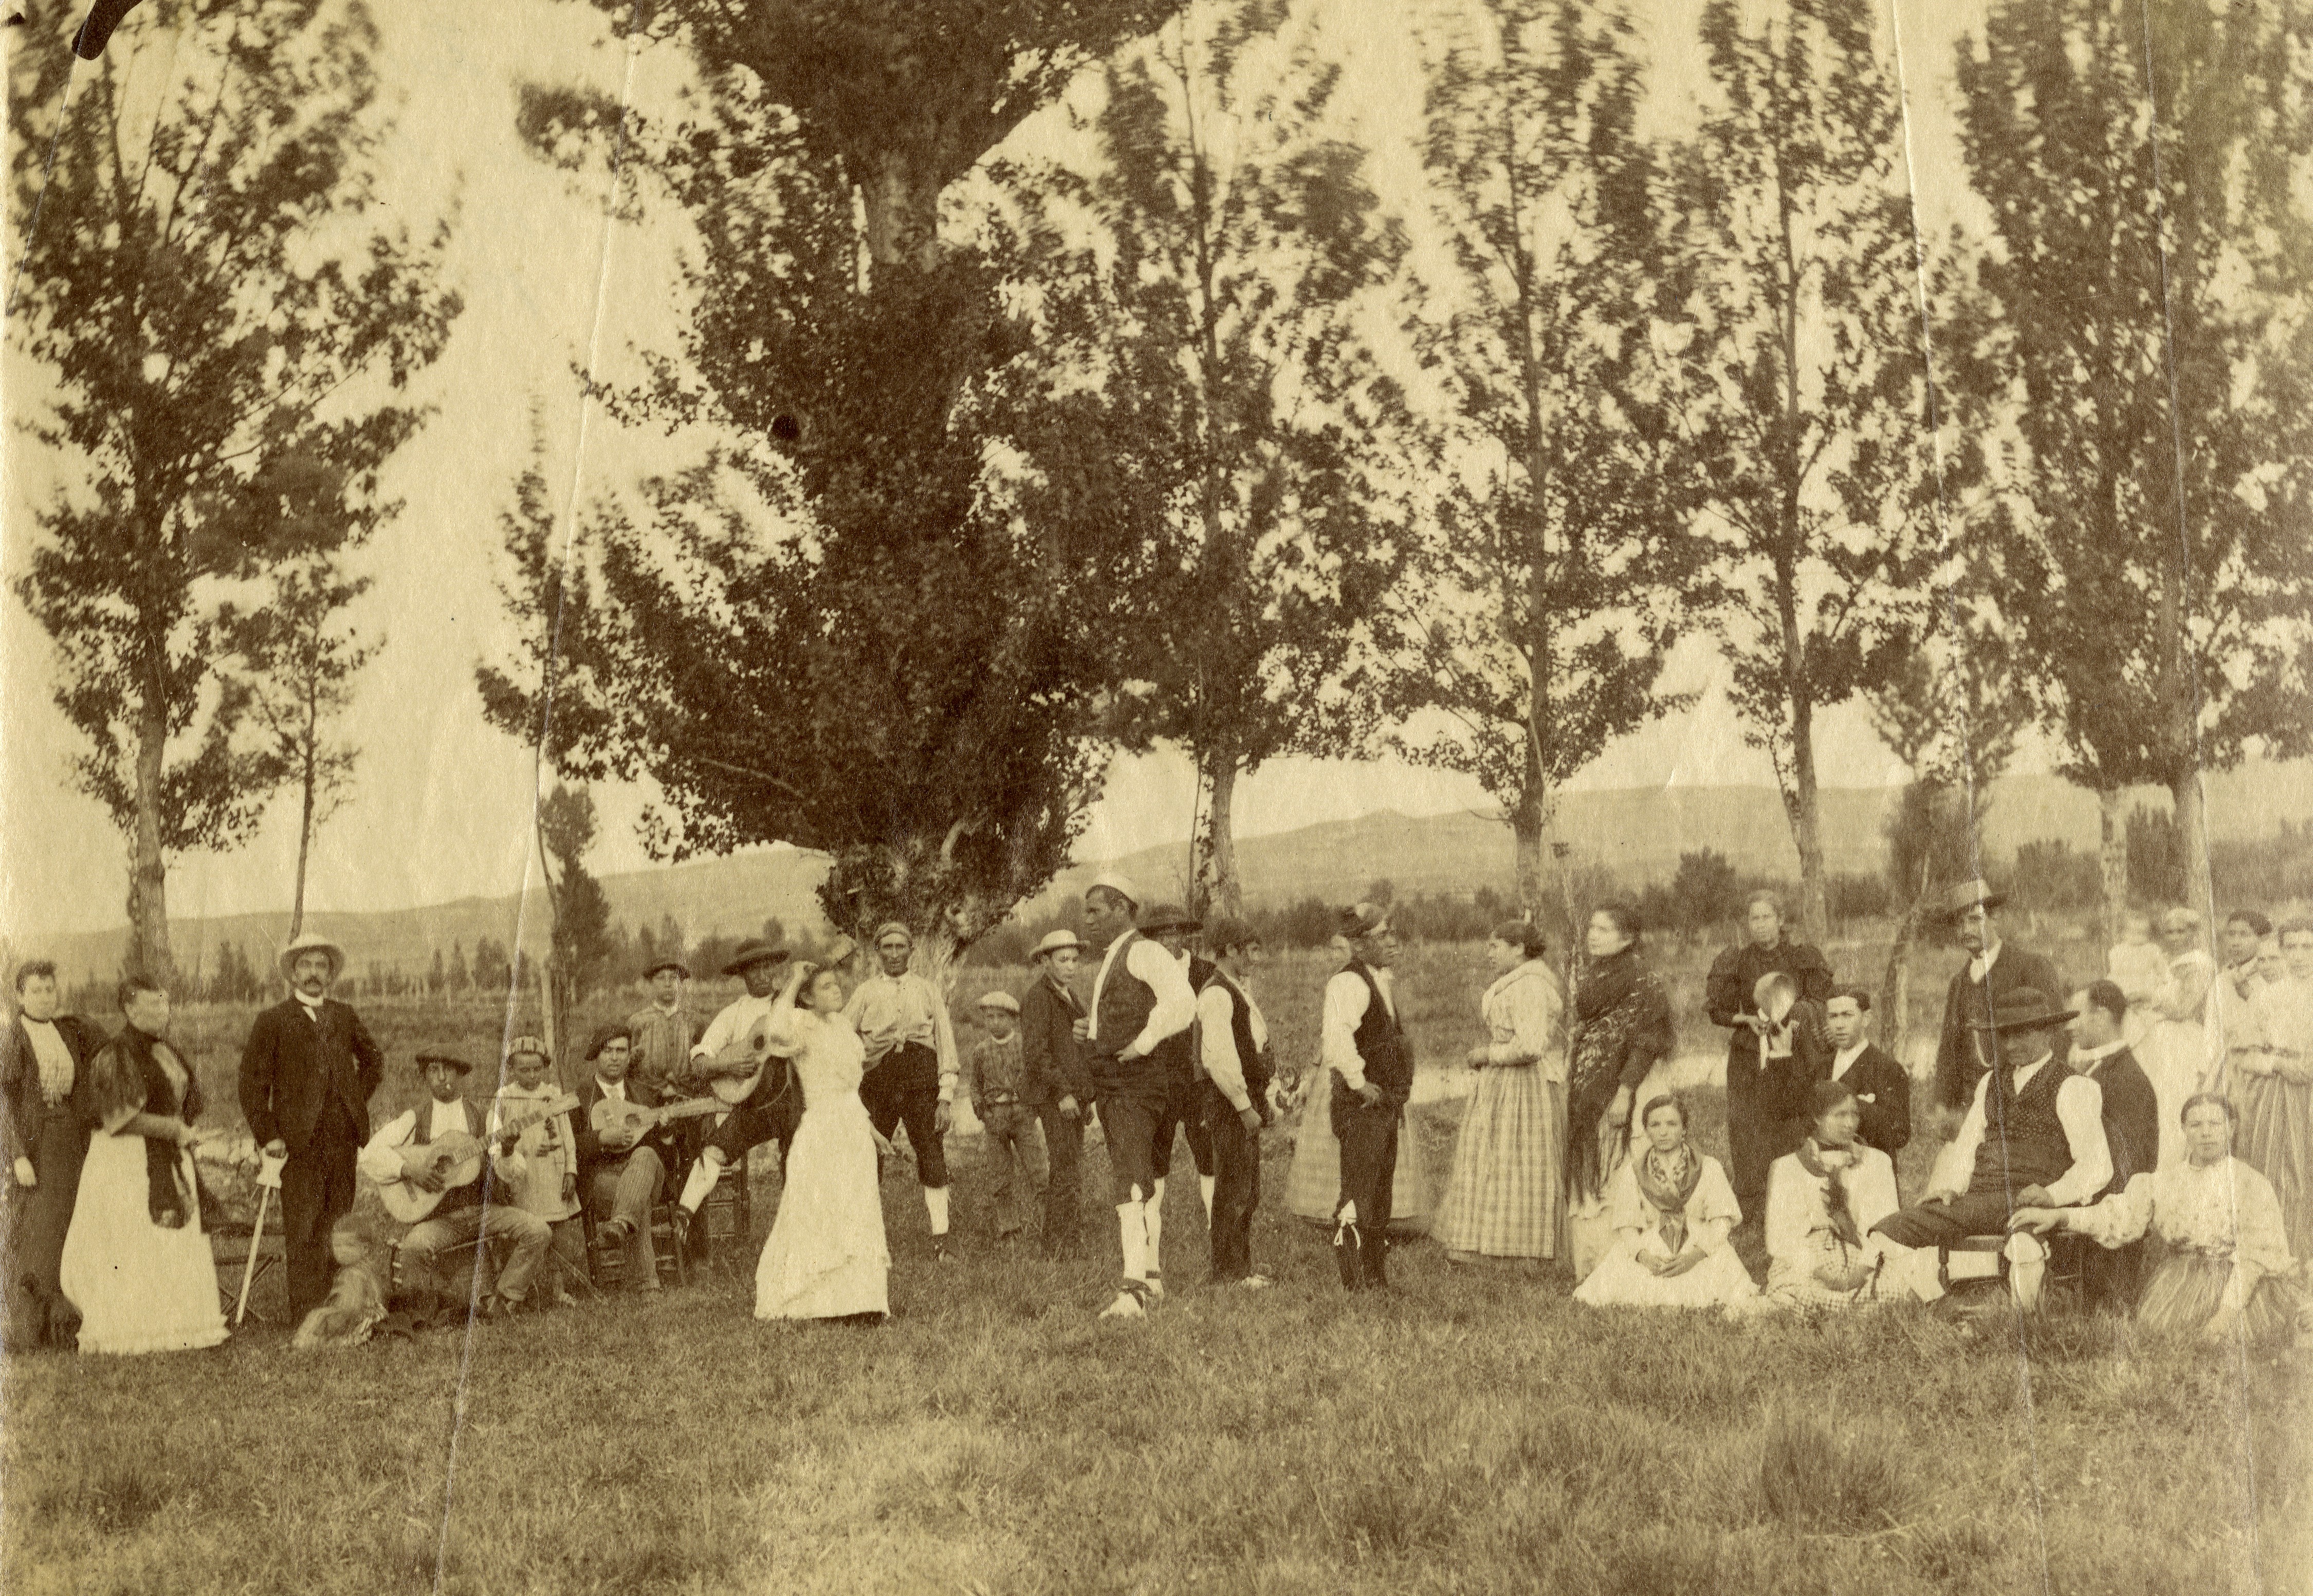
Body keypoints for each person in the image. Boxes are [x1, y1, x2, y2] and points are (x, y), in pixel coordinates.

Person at [1865, 988, 2110, 1311]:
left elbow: (2097, 1165)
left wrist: (2053, 1195)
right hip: (1978, 1201)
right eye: (2004, 1035)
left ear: (2049, 1032)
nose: (2010, 1045)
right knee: (1883, 1234)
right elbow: (1966, 1147)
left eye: (2022, 1034)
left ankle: (2025, 1325)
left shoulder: (2074, 1087)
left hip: (2029, 1204)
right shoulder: (1990, 1083)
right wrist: (1950, 1187)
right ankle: (1942, 1304)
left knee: (2024, 1245)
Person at [2012, 1094, 2310, 1346]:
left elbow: (2253, 1258)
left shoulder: (2250, 1183)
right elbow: (2116, 1217)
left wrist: (2226, 1315)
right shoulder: (2164, 1182)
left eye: (2215, 1124)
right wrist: (2059, 1216)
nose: (2206, 1132)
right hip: (2179, 1285)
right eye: (2196, 1124)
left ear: (2230, 1129)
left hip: (2240, 1287)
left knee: (2231, 1348)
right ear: (2184, 1130)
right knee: (2168, 1349)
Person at [58, 976, 228, 1356]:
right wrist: (173, 1128)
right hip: (127, 1163)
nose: (161, 1012)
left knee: (170, 1246)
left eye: (164, 1004)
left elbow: (181, 1101)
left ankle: (179, 1326)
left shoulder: (166, 1050)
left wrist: (181, 1129)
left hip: (167, 1155)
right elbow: (118, 1118)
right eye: (152, 1005)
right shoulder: (113, 1053)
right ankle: (132, 1330)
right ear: (130, 1010)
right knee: (133, 1245)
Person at [237, 931, 386, 1323]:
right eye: (306, 965)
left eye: (322, 965)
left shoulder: (344, 1015)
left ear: (331, 973)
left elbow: (374, 1063)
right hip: (298, 1145)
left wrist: (353, 1102)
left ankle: (340, 1309)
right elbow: (252, 1085)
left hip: (342, 1142)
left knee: (339, 1224)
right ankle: (306, 1312)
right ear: (293, 973)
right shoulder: (273, 1021)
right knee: (304, 1227)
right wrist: (269, 1134)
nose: (314, 973)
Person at [1078, 872, 1198, 1318]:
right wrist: (1093, 1031)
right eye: (1086, 910)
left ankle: (1132, 1292)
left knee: (1131, 1183)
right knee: (1142, 1181)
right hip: (1119, 1086)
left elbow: (1182, 1003)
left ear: (1123, 909)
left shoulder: (1144, 949)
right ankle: (1150, 1276)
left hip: (1134, 1085)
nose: (1086, 920)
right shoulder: (1116, 956)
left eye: (1096, 910)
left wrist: (1142, 1043)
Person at [358, 1053, 552, 1320]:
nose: (441, 1077)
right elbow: (369, 1155)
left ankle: (504, 1299)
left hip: (483, 1212)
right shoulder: (416, 1117)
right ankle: (423, 1312)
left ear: (460, 1076)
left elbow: (511, 1173)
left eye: (448, 1070)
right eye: (433, 1070)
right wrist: (410, 1170)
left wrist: (507, 1149)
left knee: (538, 1231)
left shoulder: (484, 1117)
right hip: (440, 1220)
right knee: (414, 1246)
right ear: (425, 1077)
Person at [754, 960, 889, 1323]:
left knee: (857, 1210)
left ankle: (862, 1302)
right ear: (809, 999)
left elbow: (850, 1090)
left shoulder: (843, 1026)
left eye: (836, 984)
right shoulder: (801, 1023)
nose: (836, 990)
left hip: (853, 1131)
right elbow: (775, 1030)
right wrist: (796, 977)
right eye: (826, 987)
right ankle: (815, 1303)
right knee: (820, 1212)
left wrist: (872, 1131)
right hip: (821, 1131)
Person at [1436, 921, 1563, 1269]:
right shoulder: (1516, 982)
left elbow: (1532, 1044)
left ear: (1519, 947)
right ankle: (1488, 1243)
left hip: (1523, 1087)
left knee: (1519, 1160)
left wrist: (1488, 1054)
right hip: (1503, 1085)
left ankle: (1520, 1250)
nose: (1488, 953)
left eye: (1495, 946)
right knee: (1494, 1159)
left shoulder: (1531, 986)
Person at [1705, 891, 1835, 1220]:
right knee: (1747, 1127)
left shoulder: (1802, 957)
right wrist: (1747, 1020)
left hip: (1793, 1053)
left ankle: (1797, 1203)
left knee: (1791, 1121)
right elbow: (1718, 1011)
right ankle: (1753, 1208)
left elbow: (1822, 1002)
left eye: (1767, 918)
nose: (1761, 925)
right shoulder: (1737, 961)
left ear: (1780, 920)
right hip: (1749, 1055)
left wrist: (1796, 1021)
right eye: (1754, 918)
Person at [1565, 903, 1676, 1282]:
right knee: (1594, 1171)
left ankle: (1631, 1266)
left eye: (1604, 929)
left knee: (1623, 1167)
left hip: (1631, 1086)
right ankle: (1596, 1266)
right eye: (1591, 927)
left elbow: (1648, 1041)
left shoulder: (1644, 980)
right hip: (1594, 1088)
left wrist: (1625, 1093)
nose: (1593, 934)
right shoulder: (1596, 976)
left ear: (1627, 937)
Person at [1572, 1094, 1756, 1311]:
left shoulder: (1709, 1167)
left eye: (1672, 1124)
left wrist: (1694, 1257)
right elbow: (1627, 1225)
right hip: (1652, 1245)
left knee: (1722, 1286)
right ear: (1646, 1131)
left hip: (1698, 1244)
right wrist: (1644, 1257)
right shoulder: (1634, 1171)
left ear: (1684, 1129)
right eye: (1655, 1125)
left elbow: (1722, 1221)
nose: (1663, 1131)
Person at [843, 923, 960, 1260]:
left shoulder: (928, 990)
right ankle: (864, 1243)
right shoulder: (864, 992)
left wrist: (946, 1097)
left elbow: (946, 1044)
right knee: (866, 1157)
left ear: (911, 950)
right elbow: (841, 1038)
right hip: (878, 1084)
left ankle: (942, 1239)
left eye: (900, 947)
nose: (894, 953)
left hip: (921, 1083)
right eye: (887, 947)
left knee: (931, 1153)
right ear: (877, 951)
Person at [1, 960, 102, 1349]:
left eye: (50, 989)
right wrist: (16, 1155)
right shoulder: (13, 1037)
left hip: (72, 1145)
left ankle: (70, 1326)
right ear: (20, 995)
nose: (45, 997)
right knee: (39, 1236)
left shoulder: (68, 1030)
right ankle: (34, 1331)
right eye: (36, 990)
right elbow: (4, 1102)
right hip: (37, 1149)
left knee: (72, 1231)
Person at [1321, 904, 1416, 1292]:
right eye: (1382, 936)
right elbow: (1338, 1040)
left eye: (1392, 932)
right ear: (1359, 944)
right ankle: (1353, 1278)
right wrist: (1360, 1084)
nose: (1391, 941)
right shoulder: (1348, 983)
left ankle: (1375, 1274)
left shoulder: (1380, 979)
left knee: (1379, 1192)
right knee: (1358, 1192)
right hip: (1362, 1105)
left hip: (1383, 1105)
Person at [1753, 1079, 1900, 1312]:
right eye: (1840, 1115)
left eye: (1855, 1115)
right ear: (1817, 1118)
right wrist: (1822, 1273)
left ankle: (1840, 1304)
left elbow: (1886, 1226)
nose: (1850, 1123)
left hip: (1864, 1255)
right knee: (1793, 1291)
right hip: (1811, 1259)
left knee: (1897, 1289)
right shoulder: (1787, 1167)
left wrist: (1858, 1273)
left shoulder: (1878, 1162)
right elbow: (1780, 1238)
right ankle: (1846, 1305)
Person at [1932, 879, 2064, 1123]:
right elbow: (1949, 1050)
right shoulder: (1958, 983)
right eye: (1959, 923)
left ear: (1995, 918)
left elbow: (2056, 1036)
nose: (1966, 930)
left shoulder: (2031, 967)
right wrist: (1943, 1105)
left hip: (2024, 1102)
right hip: (1973, 1108)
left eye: (1974, 919)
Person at [2065, 981, 2161, 1313]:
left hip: (2112, 1222)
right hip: (2090, 1208)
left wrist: (2093, 1213)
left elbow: (2129, 1165)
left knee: (2107, 1307)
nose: (2069, 1024)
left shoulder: (2125, 1078)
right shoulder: (2099, 1068)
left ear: (2102, 1015)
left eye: (2077, 1015)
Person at [685, 939, 799, 1214]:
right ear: (743, 975)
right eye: (753, 970)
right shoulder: (733, 1013)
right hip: (752, 1105)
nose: (761, 976)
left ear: (774, 968)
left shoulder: (793, 1003)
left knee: (799, 1154)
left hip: (793, 1101)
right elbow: (699, 1063)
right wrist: (727, 1066)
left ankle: (797, 1223)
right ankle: (683, 1217)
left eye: (766, 968)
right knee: (715, 1150)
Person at [1195, 918, 1274, 1289]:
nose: (1255, 957)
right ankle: (1227, 1272)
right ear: (1229, 950)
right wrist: (1244, 1105)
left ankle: (1240, 1266)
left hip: (1242, 1099)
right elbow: (1219, 1058)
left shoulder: (1236, 988)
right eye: (1250, 949)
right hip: (1229, 1104)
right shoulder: (1217, 993)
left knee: (1246, 1186)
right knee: (1233, 1187)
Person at [576, 1024, 680, 1292]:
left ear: (629, 1055)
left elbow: (666, 1160)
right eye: (607, 1051)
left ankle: (620, 1223)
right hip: (604, 1182)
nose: (614, 1057)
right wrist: (600, 1139)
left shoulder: (645, 1094)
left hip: (648, 1173)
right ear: (597, 1056)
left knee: (645, 1154)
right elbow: (572, 1148)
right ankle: (646, 1284)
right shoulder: (581, 1097)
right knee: (636, 1199)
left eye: (621, 1050)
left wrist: (667, 1134)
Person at [489, 1036, 584, 1306]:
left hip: (552, 1174)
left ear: (544, 1068)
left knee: (559, 1235)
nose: (531, 1075)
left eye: (536, 1069)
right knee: (526, 1233)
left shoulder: (553, 1095)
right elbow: (494, 1140)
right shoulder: (504, 1098)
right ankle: (523, 1289)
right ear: (511, 1069)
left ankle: (557, 1288)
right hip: (524, 1177)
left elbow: (568, 1138)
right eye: (523, 1069)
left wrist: (571, 1171)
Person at [2240, 919, 2313, 1259]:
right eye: (2291, 947)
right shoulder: (2268, 995)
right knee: (2274, 1173)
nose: (2299, 956)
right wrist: (2279, 1064)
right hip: (2276, 1094)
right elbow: (2244, 1054)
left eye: (2307, 947)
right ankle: (2280, 1255)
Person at [1018, 929, 1092, 1259]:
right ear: (1045, 961)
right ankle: (1058, 1248)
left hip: (1072, 1096)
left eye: (1075, 960)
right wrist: (1063, 1093)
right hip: (1055, 1097)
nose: (1071, 966)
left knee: (1070, 1168)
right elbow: (1037, 1055)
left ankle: (1065, 1243)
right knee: (1065, 1169)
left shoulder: (1069, 995)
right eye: (1063, 960)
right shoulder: (1038, 999)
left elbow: (1075, 1049)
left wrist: (1084, 1094)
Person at [1145, 906, 1220, 1230]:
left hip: (1196, 1078)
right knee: (1156, 1155)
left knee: (1207, 1151)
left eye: (1175, 933)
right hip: (1159, 1079)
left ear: (1185, 936)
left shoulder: (1207, 973)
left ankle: (1216, 1222)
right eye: (1162, 935)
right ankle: (1151, 1224)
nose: (1169, 941)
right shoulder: (1144, 976)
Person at [2142, 907, 2222, 1168]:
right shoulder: (2163, 961)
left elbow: (2183, 1008)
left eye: (2182, 931)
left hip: (2185, 1040)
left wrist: (2148, 999)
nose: (2175, 937)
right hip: (2162, 1040)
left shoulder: (2199, 963)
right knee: (2159, 1104)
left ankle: (2178, 1165)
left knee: (2176, 1103)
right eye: (2169, 932)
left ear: (2193, 933)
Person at [967, 990, 1046, 1242]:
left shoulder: (1025, 1046)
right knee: (1000, 1177)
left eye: (1001, 1016)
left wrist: (1032, 1109)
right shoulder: (981, 1051)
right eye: (990, 1017)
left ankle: (1051, 1223)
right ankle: (1009, 1229)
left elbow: (1037, 1079)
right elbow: (975, 1086)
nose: (996, 1022)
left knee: (1038, 1171)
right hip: (995, 1117)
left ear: (1013, 1019)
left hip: (1022, 1114)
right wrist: (983, 1113)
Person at [1822, 987, 1911, 1168]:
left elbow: (1900, 1134)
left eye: (1847, 1015)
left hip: (1871, 1174)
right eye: (1833, 1016)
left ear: (1866, 1019)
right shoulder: (1822, 1066)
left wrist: (1857, 1107)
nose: (1839, 1024)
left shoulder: (1887, 1068)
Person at [292, 1216, 389, 1350]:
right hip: (370, 1316)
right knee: (321, 1317)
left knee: (318, 1317)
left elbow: (350, 1308)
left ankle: (306, 1343)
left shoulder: (353, 1274)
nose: (341, 1251)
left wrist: (332, 1321)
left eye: (349, 1245)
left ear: (365, 1249)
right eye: (337, 1245)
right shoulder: (365, 1268)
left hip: (358, 1319)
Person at [2214, 910, 2275, 1098]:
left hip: (2261, 1069)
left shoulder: (2268, 978)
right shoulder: (2222, 979)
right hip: (2227, 1065)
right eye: (2231, 934)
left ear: (2262, 940)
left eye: (2244, 935)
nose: (2236, 942)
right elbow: (2213, 1027)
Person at [2107, 908, 2170, 1050]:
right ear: (2124, 933)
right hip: (2125, 993)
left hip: (2145, 995)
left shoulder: (2152, 950)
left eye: (2142, 933)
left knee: (2148, 1029)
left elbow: (2163, 974)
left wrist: (2156, 988)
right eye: (2133, 932)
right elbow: (2115, 975)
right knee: (2127, 1027)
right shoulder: (2118, 951)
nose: (2138, 937)